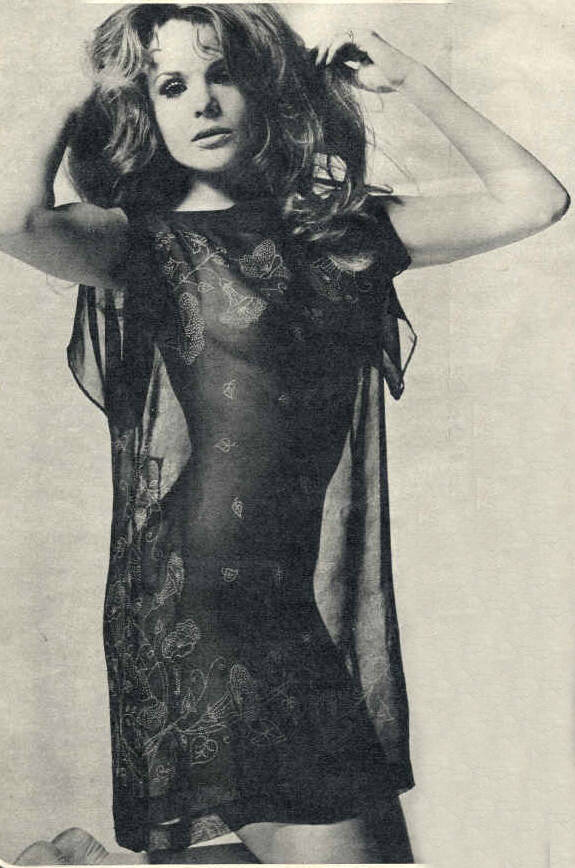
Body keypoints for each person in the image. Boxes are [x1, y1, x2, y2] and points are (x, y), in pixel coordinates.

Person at [0, 3, 569, 865]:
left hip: (282, 603)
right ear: (143, 109)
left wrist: (411, 78)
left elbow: (534, 200)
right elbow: (13, 220)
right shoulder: (143, 243)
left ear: (265, 86)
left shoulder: (342, 233)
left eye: (222, 73)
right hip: (200, 606)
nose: (202, 101)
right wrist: (85, 88)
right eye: (170, 85)